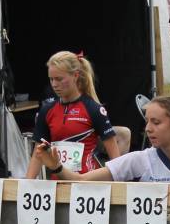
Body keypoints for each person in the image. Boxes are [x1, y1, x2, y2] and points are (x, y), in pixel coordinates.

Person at [33, 95, 170, 183]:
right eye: (147, 121)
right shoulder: (139, 160)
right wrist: (57, 167)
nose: (148, 128)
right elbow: (82, 179)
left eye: (156, 122)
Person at [25, 50, 120, 180]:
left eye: (59, 79)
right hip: (57, 184)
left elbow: (117, 162)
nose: (54, 84)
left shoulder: (93, 109)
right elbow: (38, 154)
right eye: (51, 79)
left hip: (86, 184)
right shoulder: (47, 110)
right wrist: (26, 184)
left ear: (75, 75)